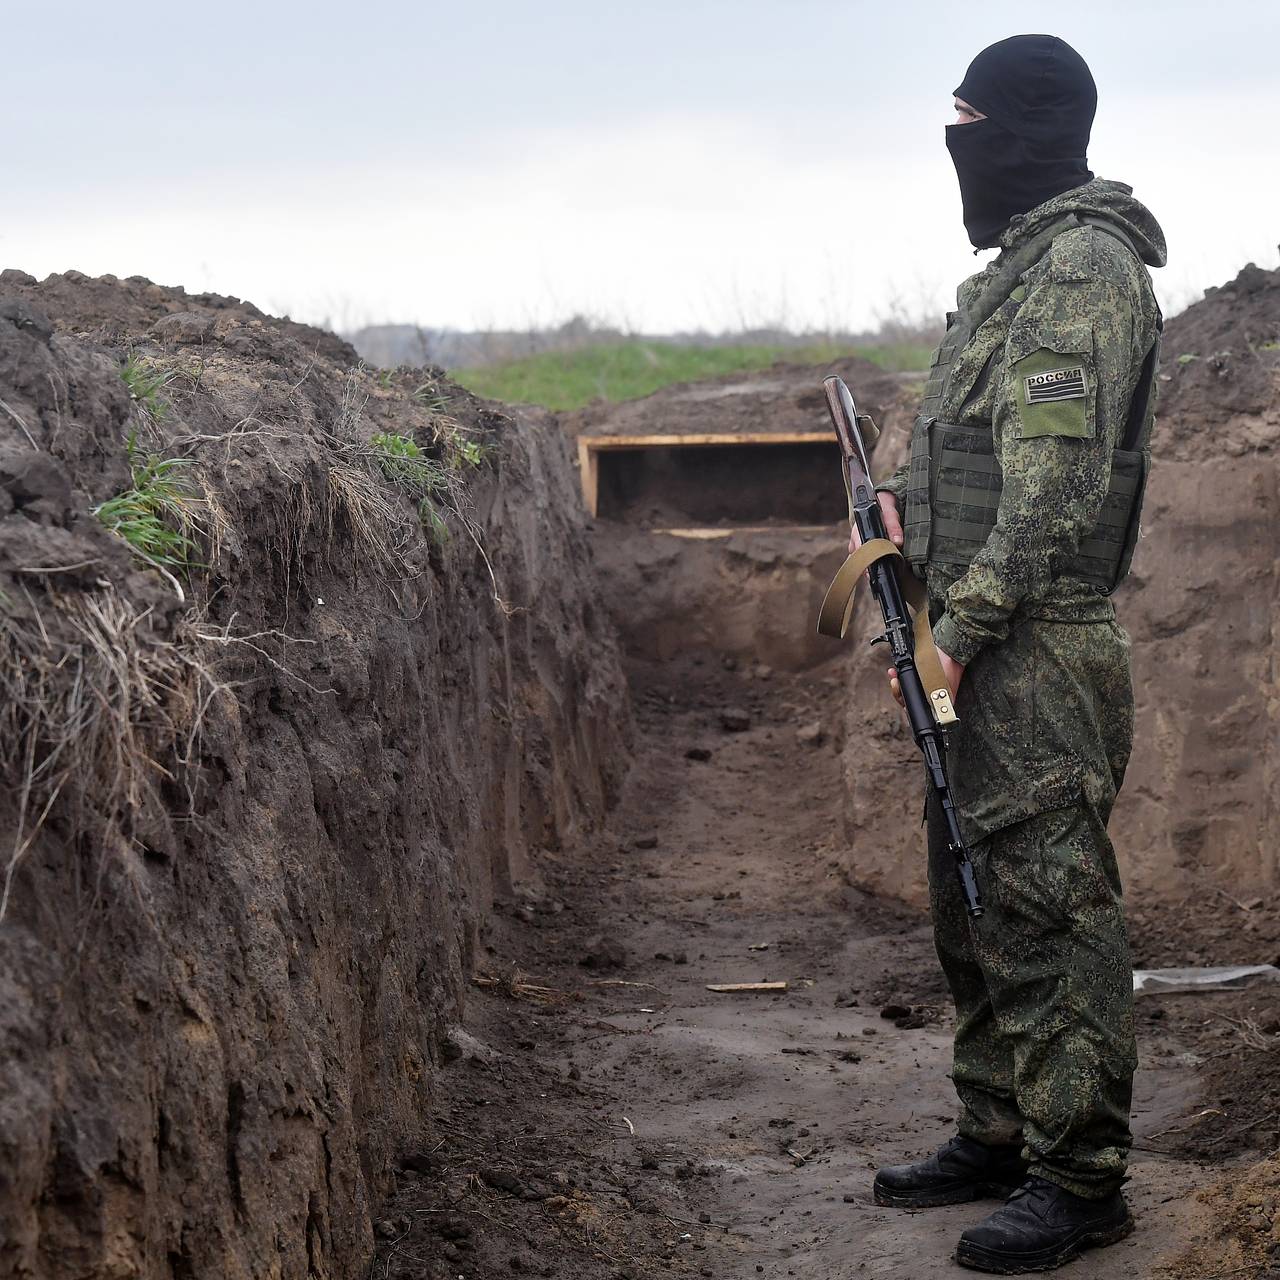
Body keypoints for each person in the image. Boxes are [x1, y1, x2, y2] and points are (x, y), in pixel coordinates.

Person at [856, 34, 1166, 1275]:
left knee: (1044, 911)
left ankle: (1080, 1175)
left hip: (1027, 645)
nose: (959, 145)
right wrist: (898, 522)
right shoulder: (1015, 270)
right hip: (979, 634)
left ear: (1029, 129)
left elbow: (1052, 483)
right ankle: (998, 1125)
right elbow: (981, 458)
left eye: (972, 120)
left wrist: (960, 635)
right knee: (968, 906)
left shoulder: (1081, 268)